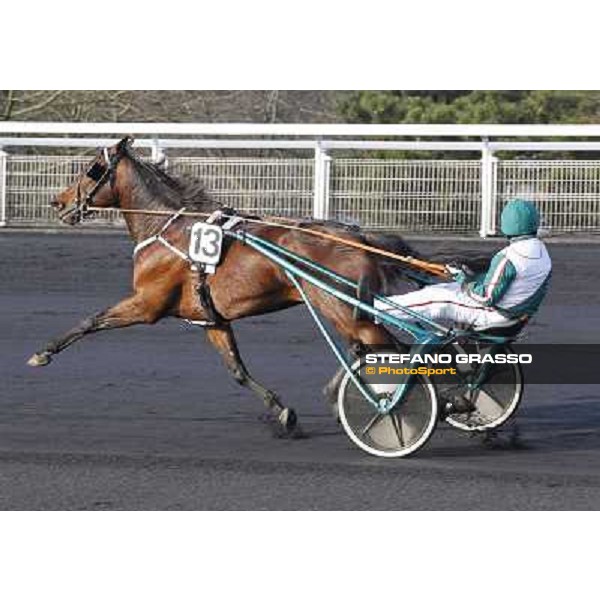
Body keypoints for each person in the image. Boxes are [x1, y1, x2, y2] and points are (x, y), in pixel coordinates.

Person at [374, 198, 552, 331]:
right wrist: (467, 278)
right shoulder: (542, 252)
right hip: (515, 313)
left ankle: (375, 310)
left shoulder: (508, 257)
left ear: (506, 225)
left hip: (495, 314)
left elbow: (486, 298)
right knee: (442, 288)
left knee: (438, 299)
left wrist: (464, 279)